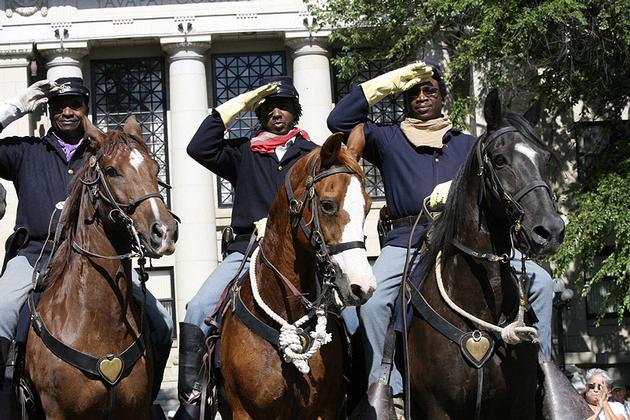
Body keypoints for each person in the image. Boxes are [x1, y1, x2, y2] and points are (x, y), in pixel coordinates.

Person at [327, 60, 556, 405]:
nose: (420, 96)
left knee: (542, 283)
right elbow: (339, 121)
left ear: (443, 96)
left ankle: (546, 375)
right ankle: (386, 389)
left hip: (464, 242)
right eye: (413, 90)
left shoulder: (468, 145)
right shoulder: (387, 138)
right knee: (374, 304)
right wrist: (390, 81)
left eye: (429, 89)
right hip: (408, 241)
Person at [0, 77, 174, 404]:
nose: (67, 111)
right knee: (0, 310)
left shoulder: (105, 152)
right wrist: (14, 108)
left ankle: (146, 403)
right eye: (59, 106)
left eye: (75, 105)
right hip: (36, 254)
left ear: (86, 109)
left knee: (161, 322)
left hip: (97, 258)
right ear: (49, 111)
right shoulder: (26, 151)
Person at [175, 76, 317, 419]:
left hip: (301, 258)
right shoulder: (244, 151)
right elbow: (199, 147)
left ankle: (358, 391)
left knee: (352, 312)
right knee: (197, 308)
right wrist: (241, 102)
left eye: (283, 106)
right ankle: (192, 399)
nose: (276, 112)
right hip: (246, 250)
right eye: (268, 107)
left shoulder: (312, 155)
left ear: (294, 111)